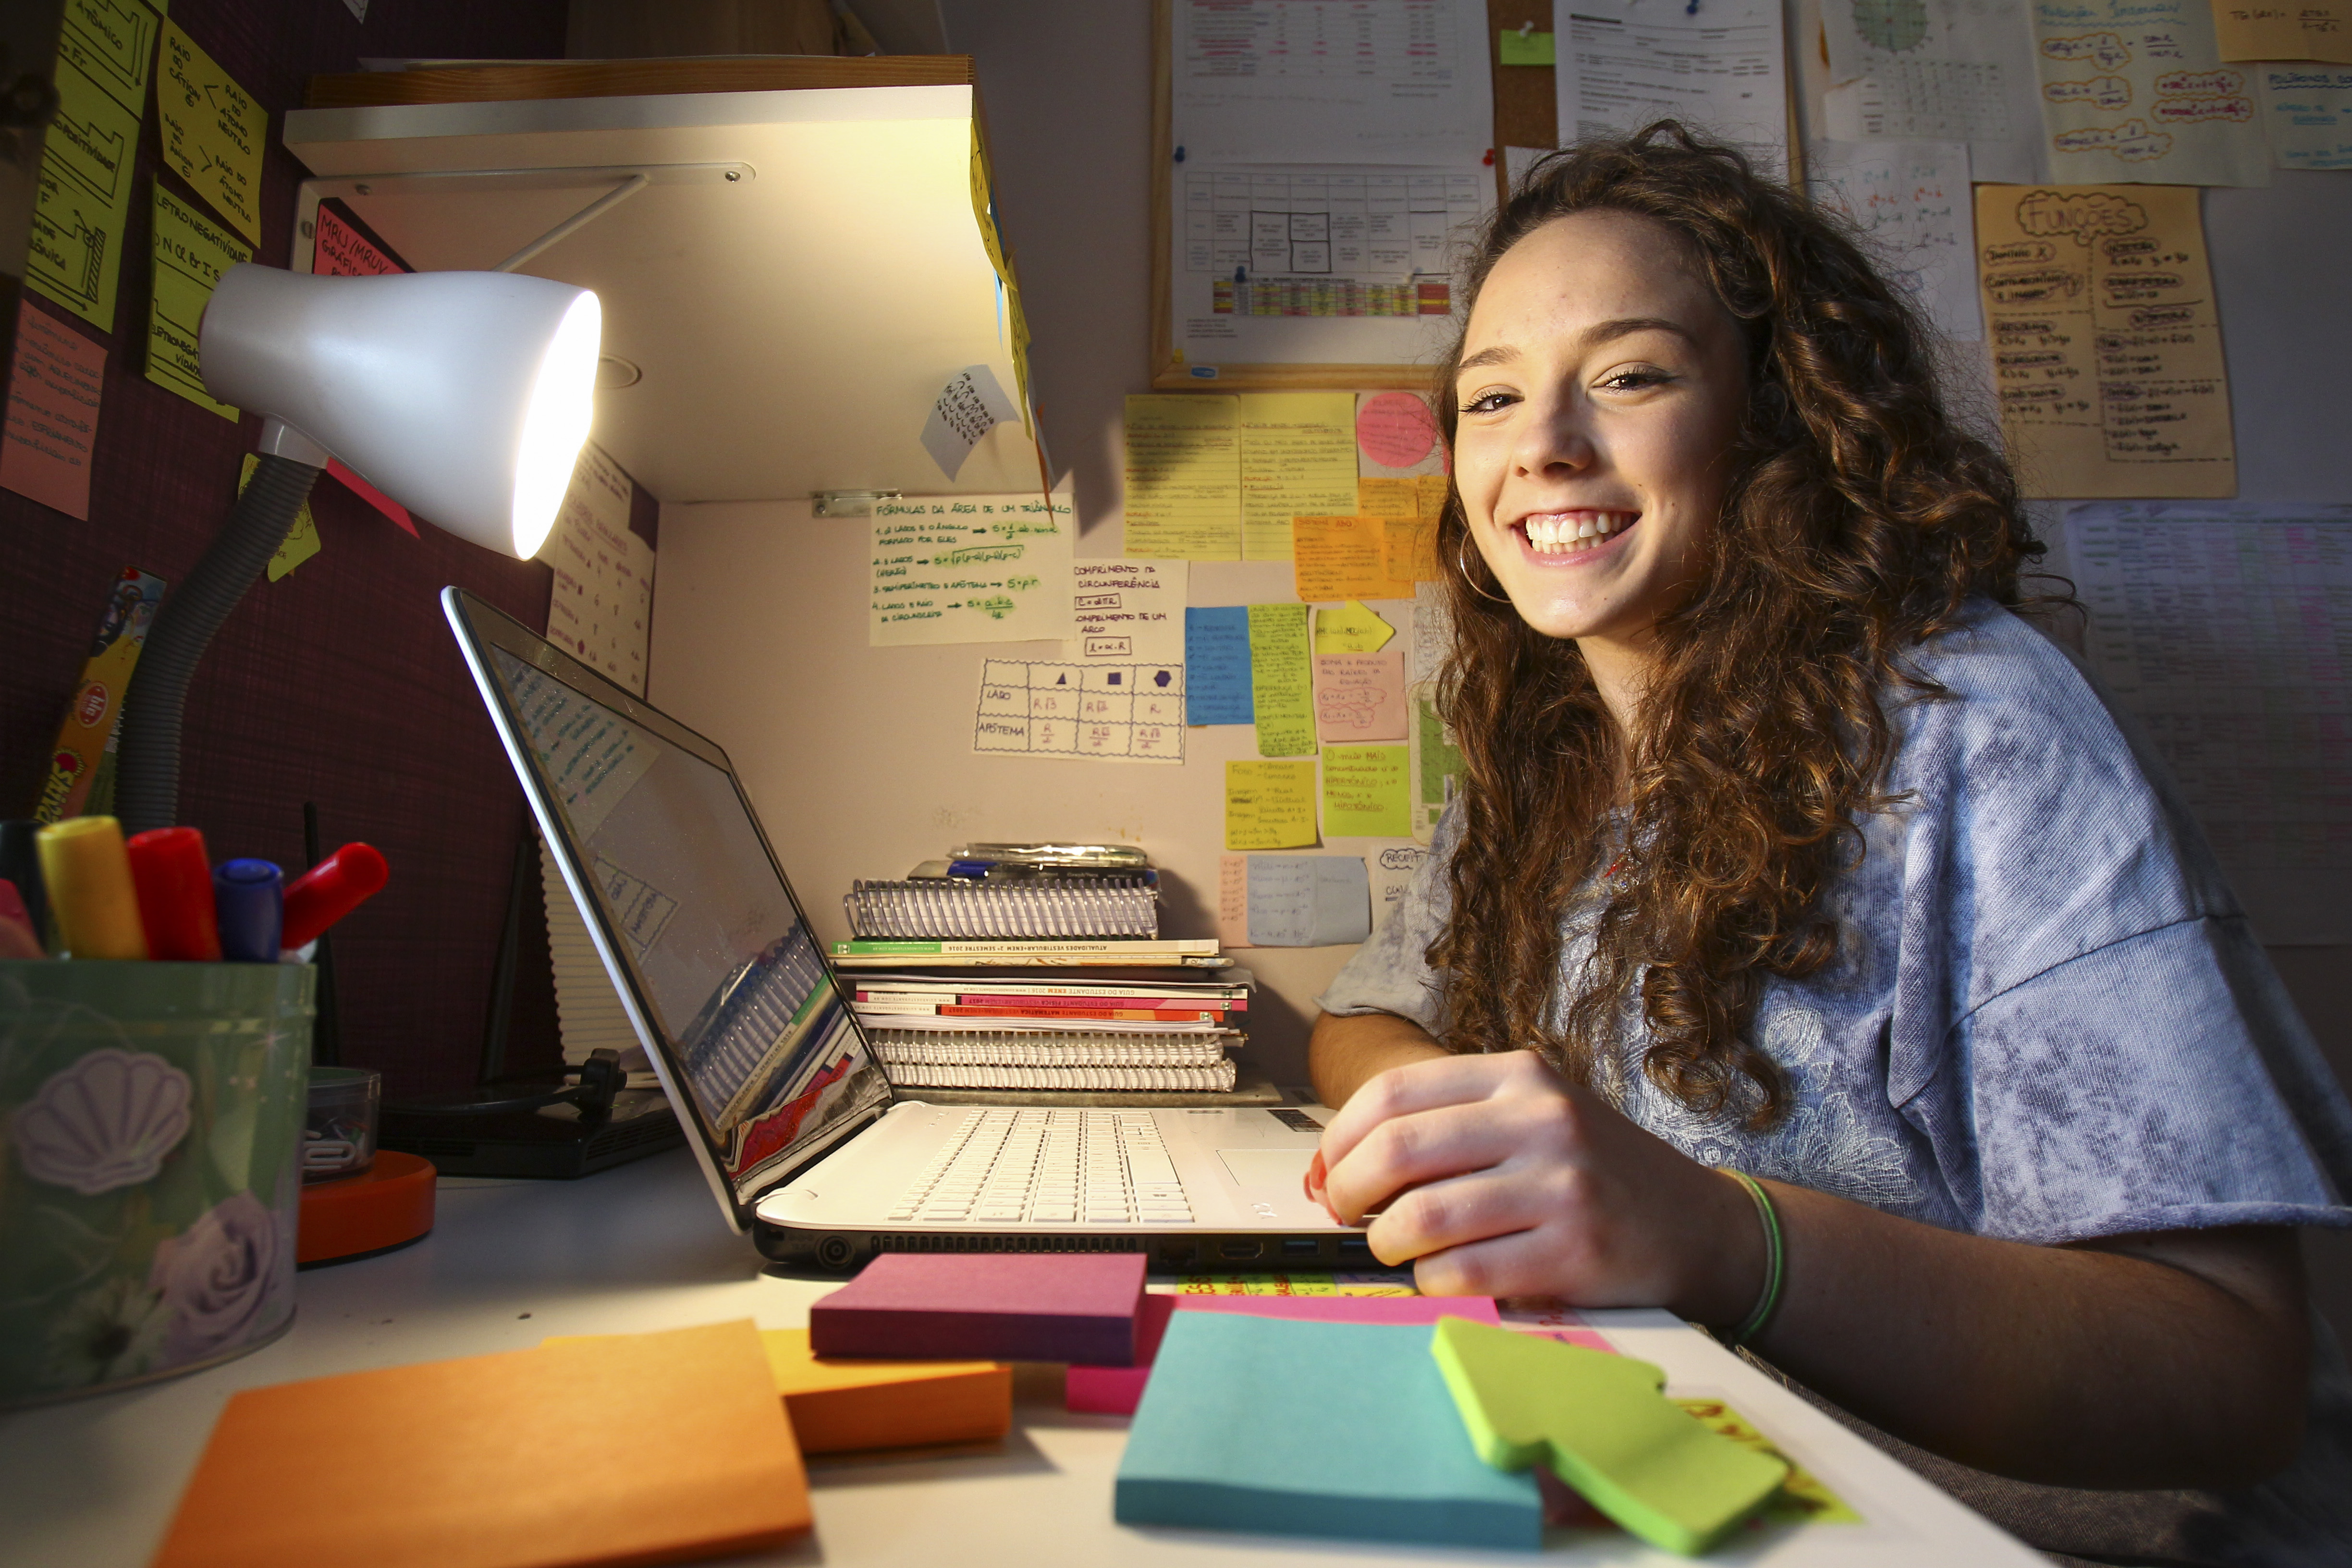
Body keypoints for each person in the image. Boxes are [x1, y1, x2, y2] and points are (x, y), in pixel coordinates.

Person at [1306, 122, 2352, 1564]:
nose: (1543, 443)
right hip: (1710, 1496)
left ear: (1775, 415)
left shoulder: (1973, 729)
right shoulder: (1547, 753)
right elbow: (1360, 1020)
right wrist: (1464, 1120)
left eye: (1629, 376)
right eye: (1493, 398)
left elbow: (2229, 1372)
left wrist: (1716, 1232)